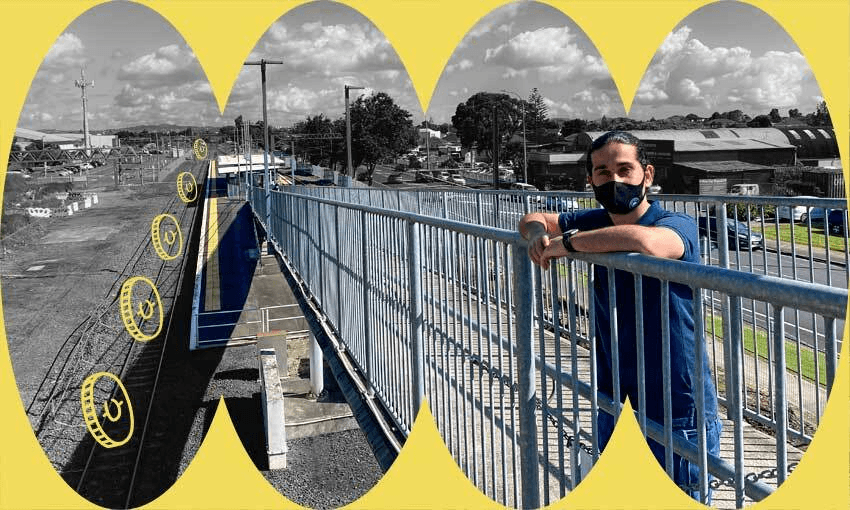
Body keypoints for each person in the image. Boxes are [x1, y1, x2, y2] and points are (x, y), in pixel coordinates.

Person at [518, 131, 721, 503]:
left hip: (676, 405)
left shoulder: (675, 221)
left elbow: (650, 244)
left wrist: (568, 244)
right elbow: (535, 218)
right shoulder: (597, 220)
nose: (614, 180)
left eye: (624, 169)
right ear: (591, 180)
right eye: (602, 172)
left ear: (647, 174)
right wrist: (536, 236)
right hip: (615, 399)